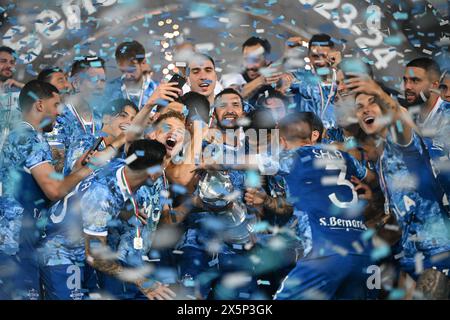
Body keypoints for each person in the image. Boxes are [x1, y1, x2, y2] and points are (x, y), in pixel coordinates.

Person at [39, 139, 176, 300]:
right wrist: (142, 282)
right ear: (153, 173)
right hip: (61, 252)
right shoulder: (103, 196)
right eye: (162, 166)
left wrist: (126, 210)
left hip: (80, 246)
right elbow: (95, 257)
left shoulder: (120, 165)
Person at [350, 73, 450, 283]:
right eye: (359, 107)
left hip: (438, 252)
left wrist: (379, 92)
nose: (366, 109)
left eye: (373, 103)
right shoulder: (383, 155)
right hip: (412, 255)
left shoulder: (404, 143)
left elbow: (401, 125)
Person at [0, 80, 93, 299]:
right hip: (16, 242)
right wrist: (86, 170)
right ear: (39, 105)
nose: (59, 114)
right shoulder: (28, 137)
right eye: (56, 105)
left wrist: (75, 170)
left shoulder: (25, 135)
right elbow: (54, 190)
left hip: (22, 239)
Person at [274, 111, 375, 300]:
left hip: (324, 254)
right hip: (364, 255)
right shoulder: (344, 157)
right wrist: (368, 193)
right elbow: (372, 177)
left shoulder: (290, 158)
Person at [45, 56, 106, 163]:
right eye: (94, 79)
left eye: (102, 80)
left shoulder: (103, 118)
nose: (100, 86)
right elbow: (55, 166)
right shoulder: (58, 119)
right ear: (76, 84)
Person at [221, 37, 293, 107]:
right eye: (246, 59)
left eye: (255, 60)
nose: (250, 66)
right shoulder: (232, 78)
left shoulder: (278, 79)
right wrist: (261, 80)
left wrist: (282, 91)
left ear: (267, 60)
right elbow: (231, 97)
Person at [291, 34, 341, 129]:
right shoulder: (301, 77)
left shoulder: (343, 80)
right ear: (309, 56)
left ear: (334, 54)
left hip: (339, 142)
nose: (320, 61)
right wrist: (285, 56)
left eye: (324, 56)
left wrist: (339, 66)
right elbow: (268, 78)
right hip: (307, 140)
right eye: (315, 56)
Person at [402, 57, 450, 148]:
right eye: (405, 80)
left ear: (434, 85)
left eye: (415, 80)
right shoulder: (408, 116)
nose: (407, 86)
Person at [106, 40, 157, 110]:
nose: (127, 75)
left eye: (131, 69)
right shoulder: (108, 90)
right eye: (123, 70)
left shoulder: (157, 91)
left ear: (143, 62)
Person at [0, 46, 24, 150]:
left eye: (12, 62)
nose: (8, 65)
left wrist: (20, 85)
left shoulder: (19, 94)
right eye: (3, 61)